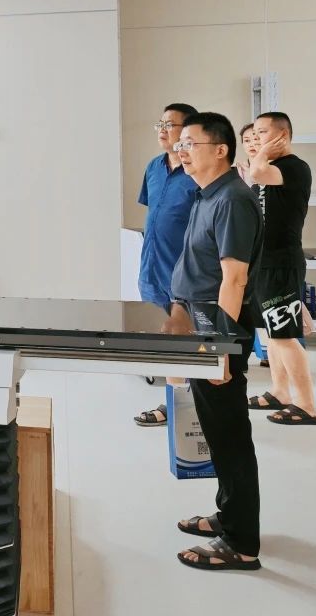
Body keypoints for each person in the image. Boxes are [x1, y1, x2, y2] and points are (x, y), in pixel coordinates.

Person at [170, 112, 262, 572]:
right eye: (180, 144)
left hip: (218, 331)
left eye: (191, 143)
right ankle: (229, 515)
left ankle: (242, 543)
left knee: (229, 435)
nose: (181, 151)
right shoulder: (208, 195)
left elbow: (235, 278)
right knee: (217, 432)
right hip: (201, 325)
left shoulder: (233, 200)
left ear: (221, 149)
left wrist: (220, 349)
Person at [246, 112, 316, 425]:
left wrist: (261, 153)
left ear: (283, 136)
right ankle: (279, 391)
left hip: (282, 262)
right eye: (252, 135)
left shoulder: (294, 167)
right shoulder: (267, 168)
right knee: (272, 334)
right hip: (263, 263)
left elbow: (257, 172)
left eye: (262, 133)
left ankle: (307, 406)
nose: (256, 140)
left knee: (285, 335)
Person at [133, 102, 199, 427]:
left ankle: (179, 407)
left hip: (184, 273)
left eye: (169, 124)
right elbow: (154, 214)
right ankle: (179, 403)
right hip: (152, 268)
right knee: (171, 343)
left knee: (183, 342)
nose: (162, 130)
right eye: (159, 124)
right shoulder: (153, 167)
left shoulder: (198, 174)